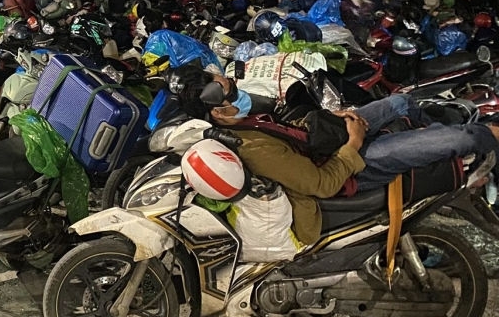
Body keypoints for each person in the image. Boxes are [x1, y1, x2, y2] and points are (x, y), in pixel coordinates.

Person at [171, 65, 499, 243]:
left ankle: (425, 128)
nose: (237, 89)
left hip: (329, 144)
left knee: (400, 101)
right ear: (218, 113)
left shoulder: (245, 120)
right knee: (462, 137)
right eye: (230, 90)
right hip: (349, 169)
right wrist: (353, 144)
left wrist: (335, 121)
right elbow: (322, 184)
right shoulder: (252, 148)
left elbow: (290, 130)